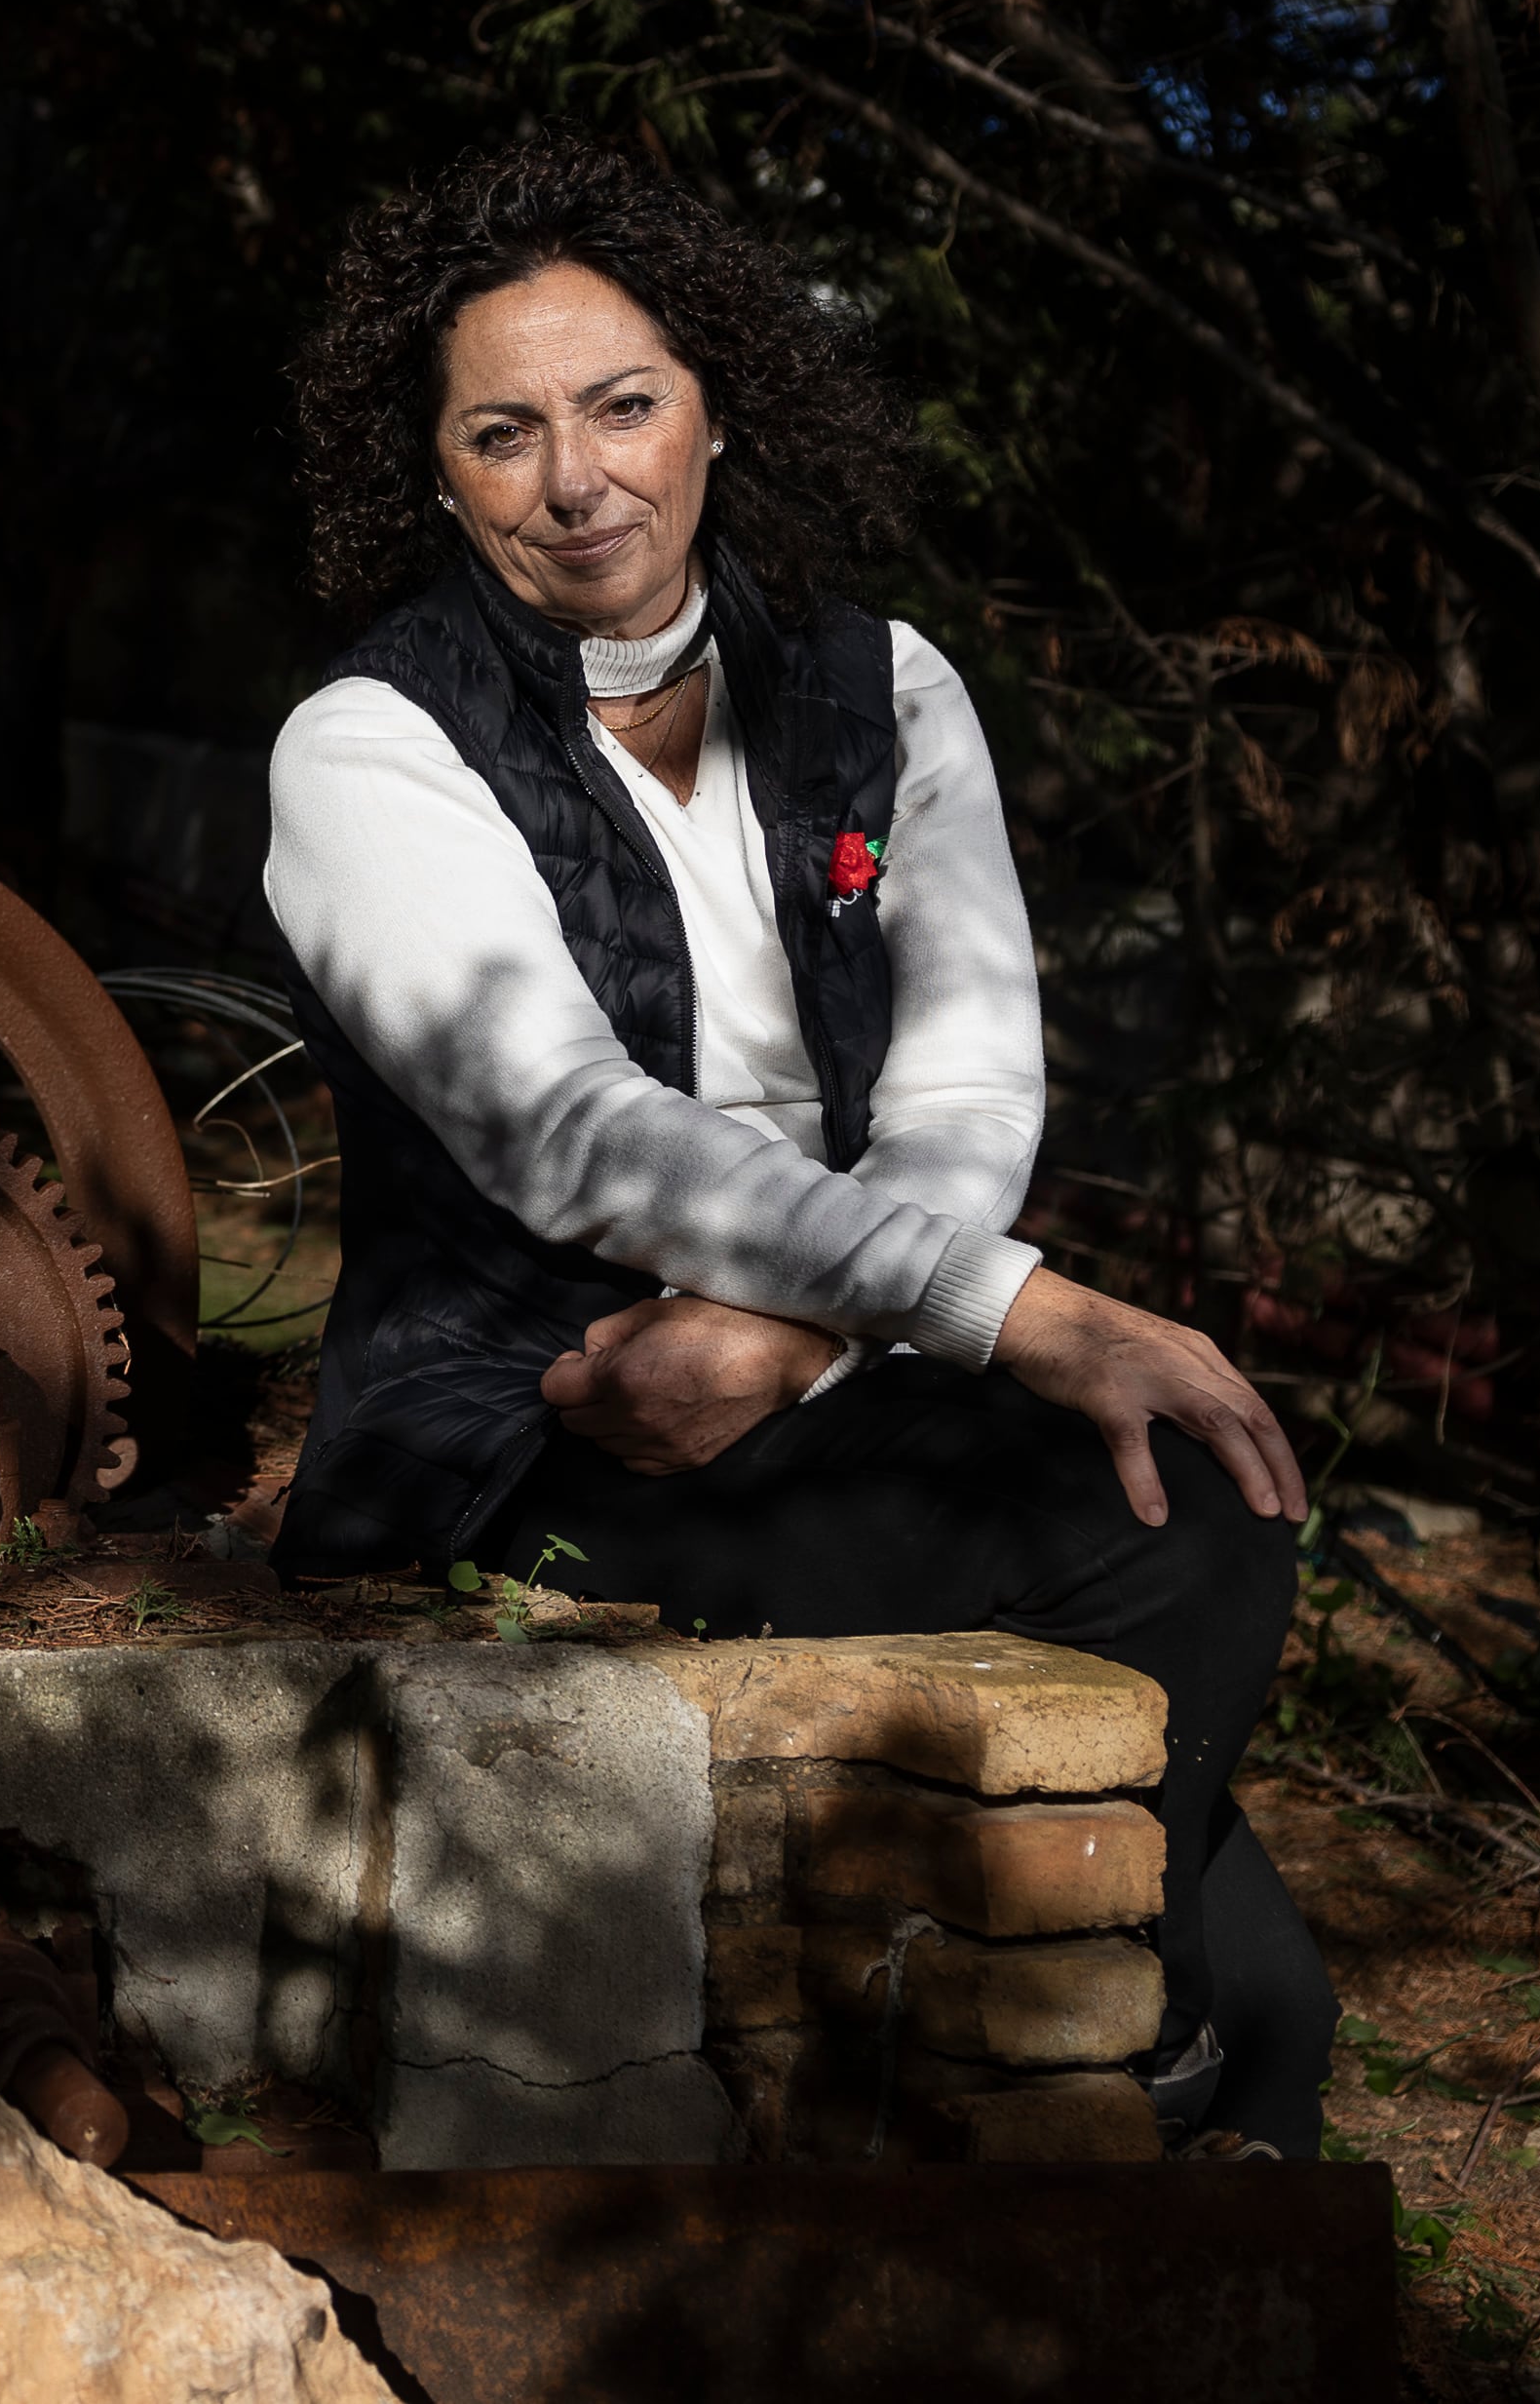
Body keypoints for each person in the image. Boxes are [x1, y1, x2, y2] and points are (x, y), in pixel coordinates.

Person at [259, 135, 1332, 2158]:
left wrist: (808, 1338)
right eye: (502, 434)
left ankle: (1097, 2103)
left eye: (623, 404)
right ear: (434, 477)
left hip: (808, 1401)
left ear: (717, 405)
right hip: (535, 1435)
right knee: (1188, 1555)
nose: (577, 479)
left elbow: (954, 1099)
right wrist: (995, 1316)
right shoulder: (368, 748)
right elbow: (563, 1128)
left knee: (1262, 1974)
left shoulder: (879, 686)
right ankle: (1040, 2126)